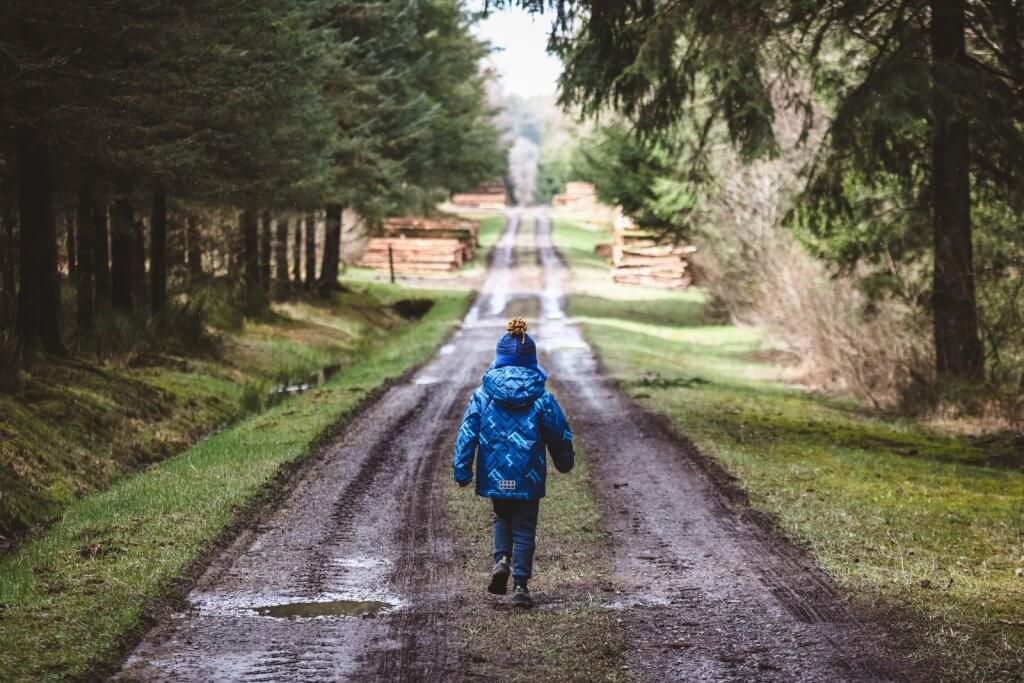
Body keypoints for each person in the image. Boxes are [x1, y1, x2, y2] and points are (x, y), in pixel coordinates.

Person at [452, 317, 575, 608]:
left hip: (494, 474)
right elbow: (559, 432)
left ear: (499, 359)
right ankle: (520, 585)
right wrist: (564, 460)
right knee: (524, 527)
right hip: (528, 474)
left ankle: (501, 560)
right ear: (532, 361)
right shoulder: (542, 398)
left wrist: (462, 469)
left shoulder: (482, 396)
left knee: (501, 516)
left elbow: (467, 434)